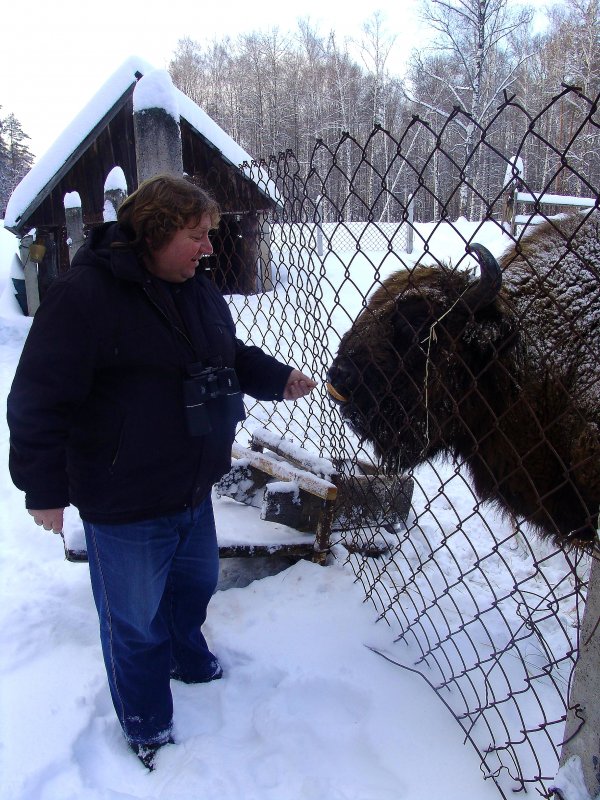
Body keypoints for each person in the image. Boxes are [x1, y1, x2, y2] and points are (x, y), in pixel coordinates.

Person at [7, 174, 317, 769]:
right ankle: (147, 723)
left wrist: (275, 378)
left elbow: (224, 356)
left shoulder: (194, 287)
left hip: (190, 487)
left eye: (209, 235)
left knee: (193, 589)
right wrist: (43, 490)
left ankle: (185, 654)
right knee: (133, 623)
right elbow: (38, 400)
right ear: (153, 231)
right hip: (124, 500)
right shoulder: (87, 297)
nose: (207, 249)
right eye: (195, 235)